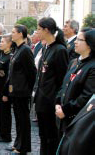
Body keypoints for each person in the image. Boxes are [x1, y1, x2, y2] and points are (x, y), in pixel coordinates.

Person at [34, 17, 69, 155]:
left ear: (46, 30)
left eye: (38, 29)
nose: (37, 32)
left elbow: (62, 79)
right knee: (43, 135)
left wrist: (57, 101)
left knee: (51, 136)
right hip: (41, 99)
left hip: (50, 101)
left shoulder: (59, 50)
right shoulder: (46, 48)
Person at [55, 28, 95, 135]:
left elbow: (86, 96)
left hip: (76, 119)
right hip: (62, 115)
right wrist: (58, 102)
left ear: (89, 44)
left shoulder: (92, 67)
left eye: (79, 40)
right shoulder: (74, 62)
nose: (75, 42)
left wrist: (66, 110)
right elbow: (64, 85)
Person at [5, 25, 37, 154]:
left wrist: (27, 89)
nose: (11, 34)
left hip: (22, 92)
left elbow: (32, 72)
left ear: (20, 34)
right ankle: (18, 143)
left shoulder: (25, 50)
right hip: (16, 91)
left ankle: (23, 147)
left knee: (23, 120)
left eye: (13, 32)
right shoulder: (17, 49)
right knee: (18, 119)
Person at [0, 34, 13, 143]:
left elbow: (8, 77)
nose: (0, 44)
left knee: (5, 113)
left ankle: (6, 135)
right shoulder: (2, 55)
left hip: (5, 90)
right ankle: (0, 132)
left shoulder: (10, 57)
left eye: (2, 42)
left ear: (9, 44)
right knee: (0, 112)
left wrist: (6, 93)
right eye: (0, 41)